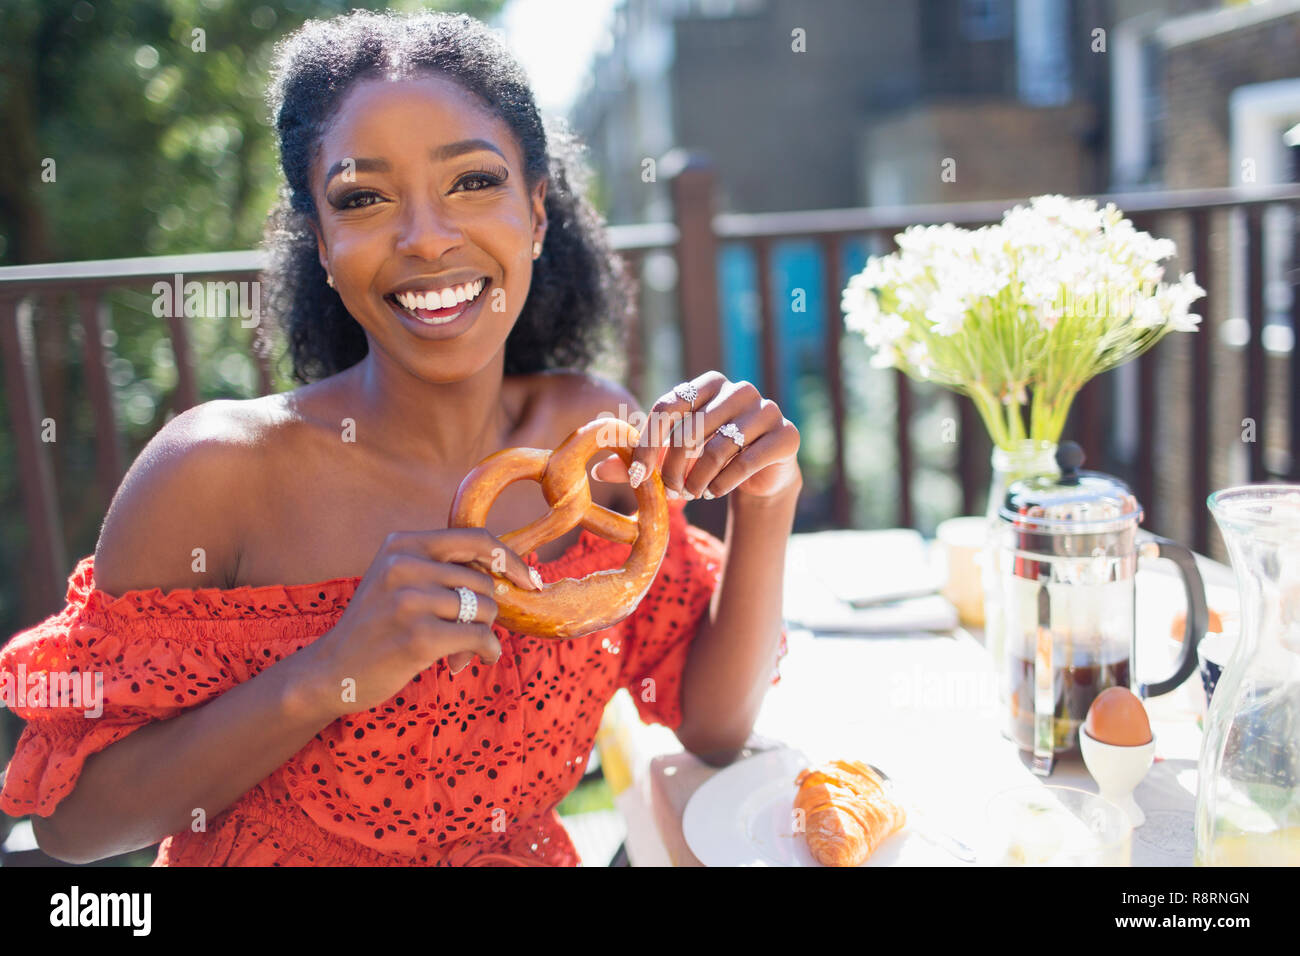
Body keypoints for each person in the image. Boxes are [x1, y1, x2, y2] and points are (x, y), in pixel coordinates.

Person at [0, 9, 798, 866]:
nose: (425, 237)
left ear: (536, 213)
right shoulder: (216, 475)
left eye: (473, 182)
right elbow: (74, 826)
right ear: (321, 240)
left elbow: (713, 729)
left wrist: (768, 500)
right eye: (363, 198)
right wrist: (329, 670)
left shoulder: (589, 438)